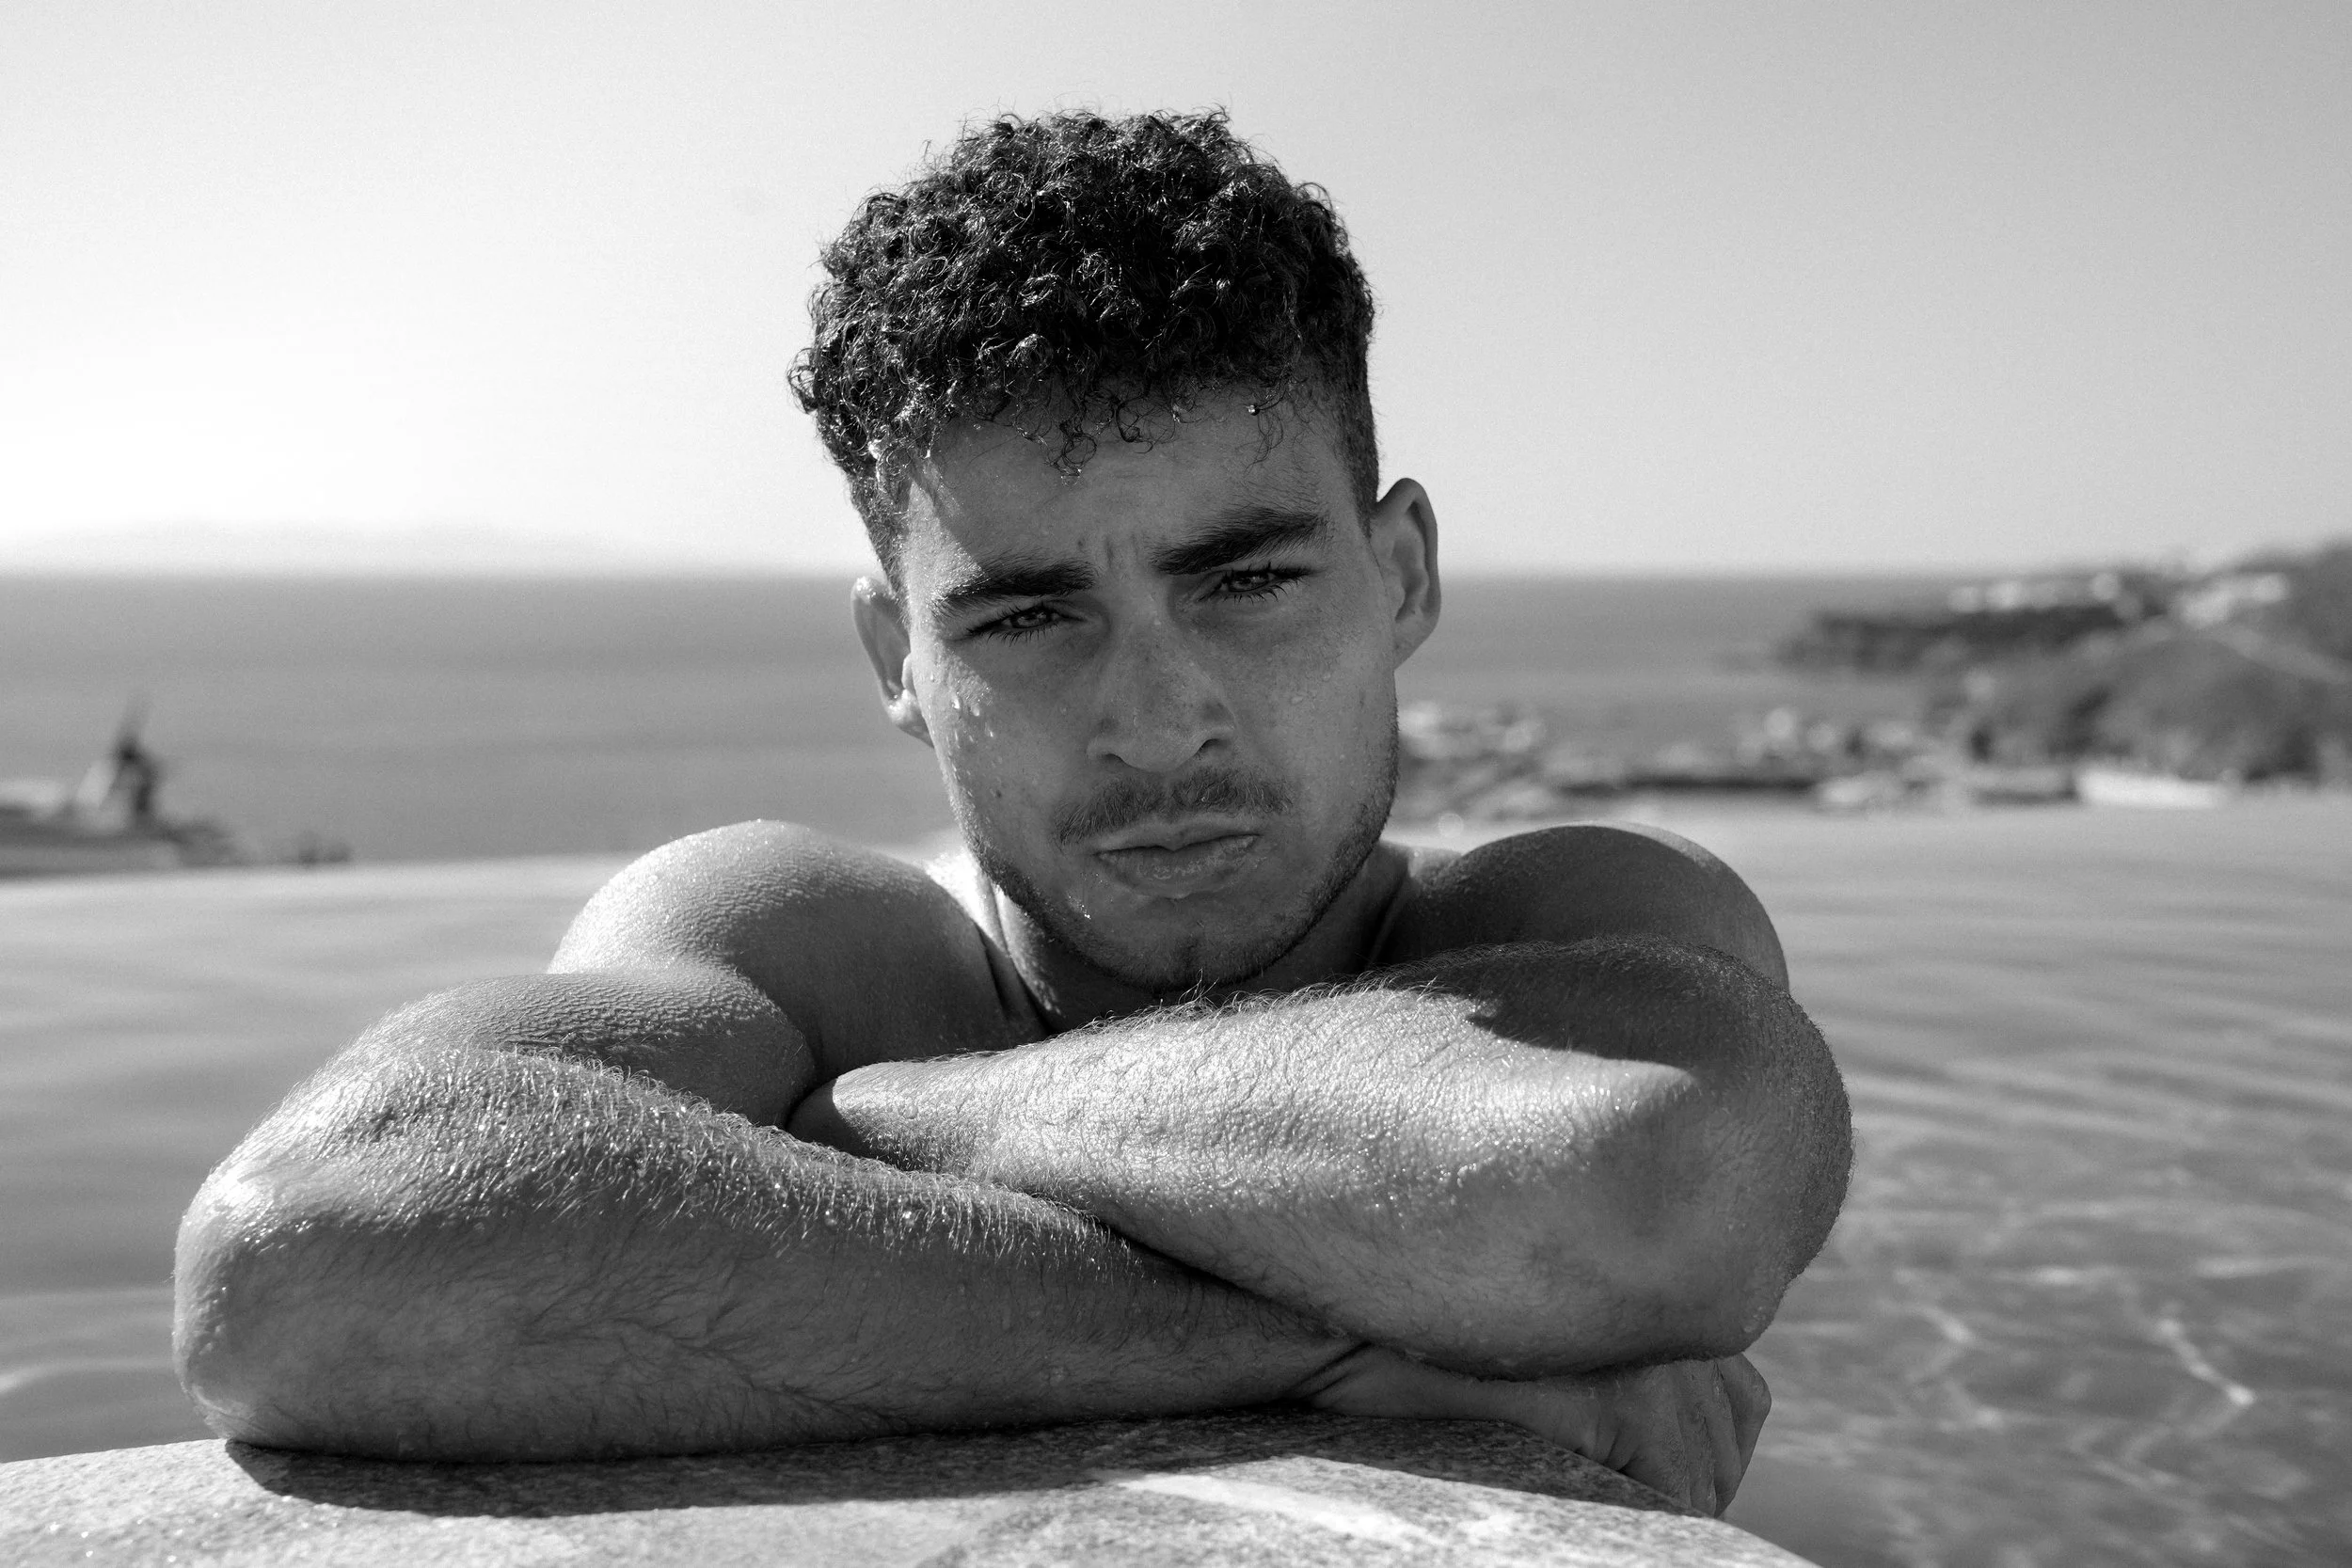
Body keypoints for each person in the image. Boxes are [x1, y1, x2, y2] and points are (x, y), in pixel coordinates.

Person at [173, 111, 1851, 1517]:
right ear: (897, 655)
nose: (1157, 715)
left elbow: (1662, 1184)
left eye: (1250, 579)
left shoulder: (1557, 924)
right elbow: (301, 1265)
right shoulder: (787, 941)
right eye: (1029, 617)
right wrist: (1349, 1352)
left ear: (1400, 575)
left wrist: (871, 1123)